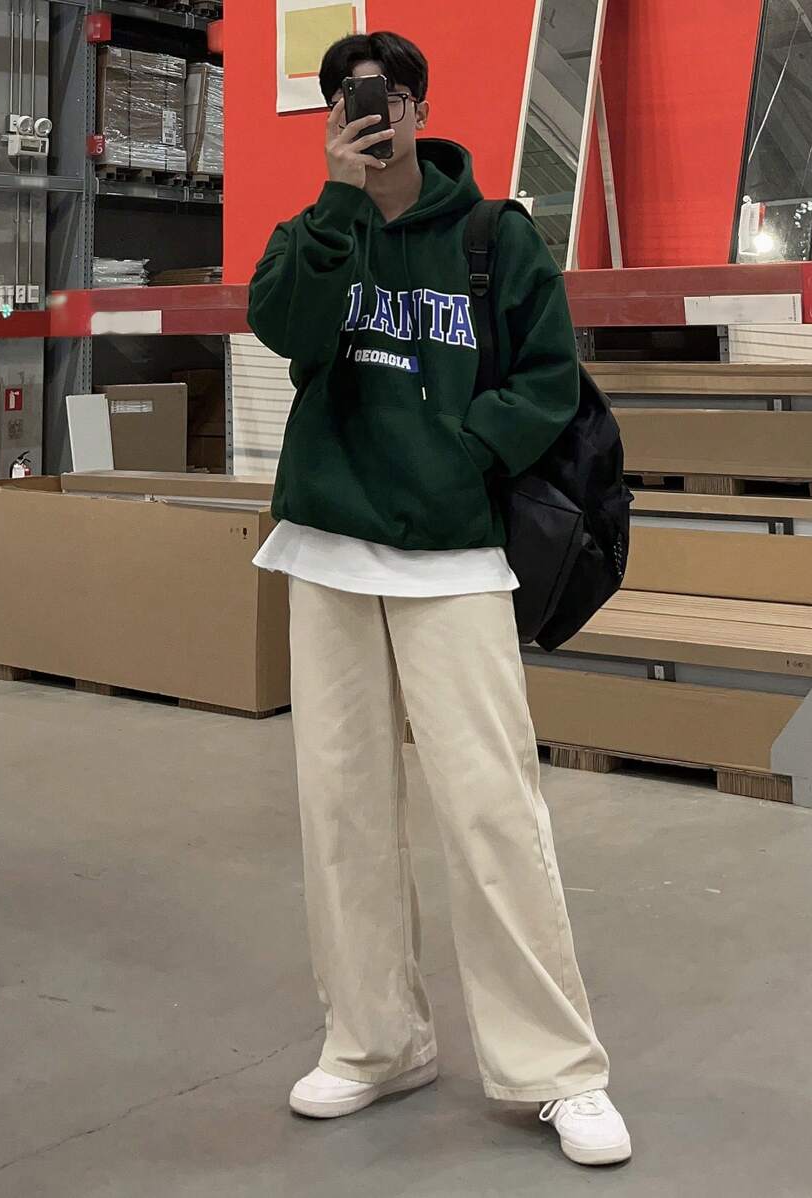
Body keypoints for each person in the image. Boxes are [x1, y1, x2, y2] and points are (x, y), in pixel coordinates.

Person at [247, 30, 631, 1168]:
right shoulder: (313, 232)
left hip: (456, 557)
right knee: (343, 810)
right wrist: (336, 200)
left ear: (419, 105)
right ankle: (375, 1042)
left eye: (389, 96)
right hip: (328, 550)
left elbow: (549, 378)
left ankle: (557, 1069)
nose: (373, 114)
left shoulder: (494, 236)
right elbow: (285, 329)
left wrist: (464, 453)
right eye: (351, 101)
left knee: (493, 811)